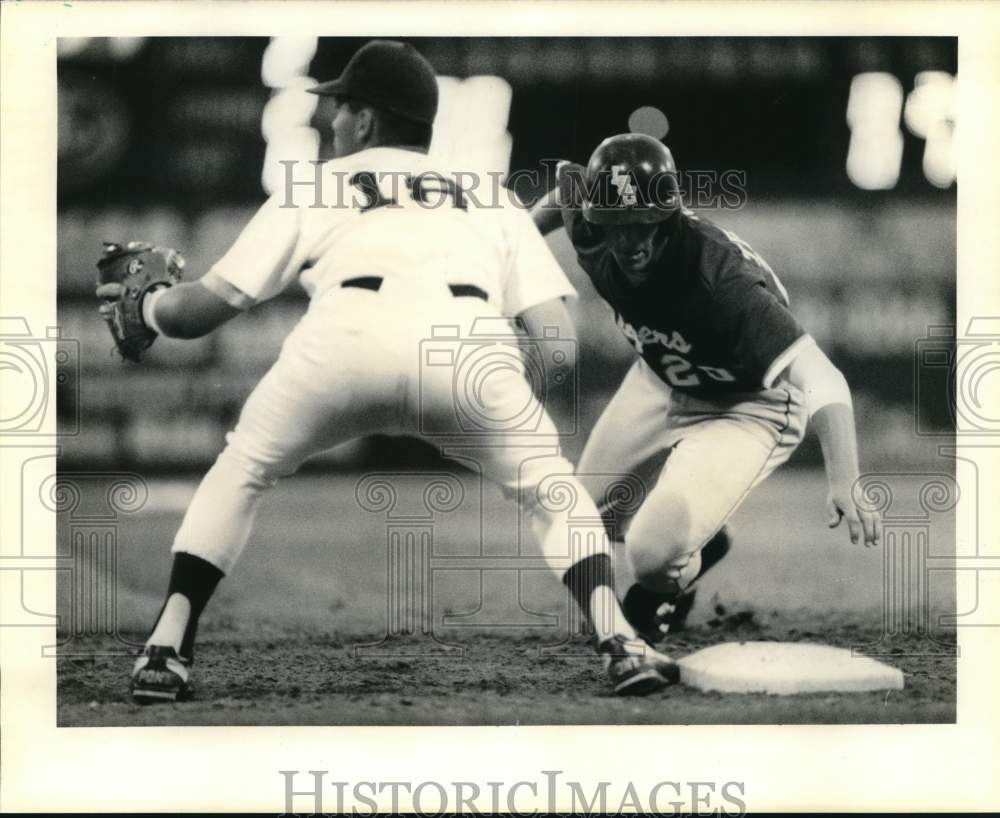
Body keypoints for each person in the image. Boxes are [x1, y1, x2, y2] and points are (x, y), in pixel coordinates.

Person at [97, 42, 679, 703]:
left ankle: (168, 645)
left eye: (339, 109)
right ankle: (618, 638)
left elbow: (200, 311)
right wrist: (510, 404)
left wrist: (146, 303)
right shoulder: (491, 197)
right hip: (467, 356)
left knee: (243, 467)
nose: (332, 123)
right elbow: (559, 345)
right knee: (551, 485)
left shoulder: (317, 183)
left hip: (345, 342)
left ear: (368, 119)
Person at [532, 133, 880, 644]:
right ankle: (703, 538)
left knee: (650, 558)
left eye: (645, 222)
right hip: (660, 377)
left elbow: (823, 378)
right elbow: (566, 190)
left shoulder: (719, 279)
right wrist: (511, 247)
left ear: (669, 213)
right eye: (617, 226)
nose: (631, 243)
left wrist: (845, 479)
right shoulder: (591, 224)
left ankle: (667, 584)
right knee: (580, 522)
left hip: (748, 406)